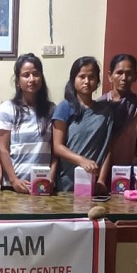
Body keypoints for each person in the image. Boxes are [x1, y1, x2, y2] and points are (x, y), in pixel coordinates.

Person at [52, 56, 116, 194]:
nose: (87, 81)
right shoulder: (64, 108)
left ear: (97, 81)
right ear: (73, 79)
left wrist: (101, 180)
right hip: (66, 182)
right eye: (82, 77)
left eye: (91, 77)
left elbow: (107, 149)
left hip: (94, 182)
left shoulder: (105, 112)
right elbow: (57, 147)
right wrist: (82, 161)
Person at [0, 53, 56, 193]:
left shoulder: (51, 110)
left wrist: (51, 178)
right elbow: (3, 149)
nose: (32, 79)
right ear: (18, 81)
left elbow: (55, 151)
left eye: (36, 74)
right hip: (13, 186)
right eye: (26, 75)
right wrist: (14, 180)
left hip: (42, 186)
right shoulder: (7, 108)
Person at [97, 54, 137, 166]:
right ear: (110, 76)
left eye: (129, 73)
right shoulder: (99, 106)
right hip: (99, 167)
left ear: (135, 76)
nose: (124, 78)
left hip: (128, 168)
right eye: (119, 73)